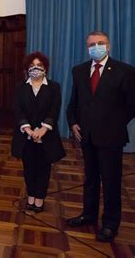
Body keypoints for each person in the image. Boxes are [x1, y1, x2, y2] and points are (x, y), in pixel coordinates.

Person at [66, 31, 135, 242]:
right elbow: (74, 103)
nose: (96, 46)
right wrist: (73, 123)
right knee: (90, 179)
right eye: (92, 44)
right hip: (86, 136)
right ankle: (88, 215)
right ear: (87, 47)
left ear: (109, 45)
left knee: (111, 181)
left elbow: (131, 105)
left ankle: (110, 224)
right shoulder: (79, 71)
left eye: (100, 43)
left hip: (111, 136)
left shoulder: (125, 71)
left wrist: (112, 124)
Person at [11, 52, 65, 213]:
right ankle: (31, 195)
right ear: (27, 69)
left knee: (43, 168)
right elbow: (18, 110)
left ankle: (40, 198)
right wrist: (28, 129)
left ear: (45, 68)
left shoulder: (54, 87)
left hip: (46, 136)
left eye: (39, 65)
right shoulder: (20, 87)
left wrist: (43, 129)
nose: (36, 68)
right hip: (25, 136)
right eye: (32, 65)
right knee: (29, 168)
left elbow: (54, 110)